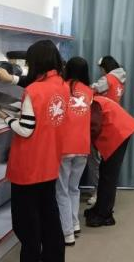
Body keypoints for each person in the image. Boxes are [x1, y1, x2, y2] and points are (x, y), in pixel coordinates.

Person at [0, 40, 67, 262]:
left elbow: (26, 130)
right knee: (49, 216)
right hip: (50, 161)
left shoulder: (33, 90)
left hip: (28, 166)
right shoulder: (62, 85)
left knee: (26, 223)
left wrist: (6, 118)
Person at [83, 94, 134, 227]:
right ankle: (100, 208)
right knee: (105, 171)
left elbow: (94, 128)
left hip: (118, 133)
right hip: (120, 130)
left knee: (109, 175)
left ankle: (105, 215)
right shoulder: (95, 100)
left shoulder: (93, 103)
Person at [57, 57, 92, 247]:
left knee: (61, 191)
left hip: (64, 146)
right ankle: (75, 223)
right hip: (83, 146)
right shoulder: (89, 91)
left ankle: (67, 232)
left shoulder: (61, 87)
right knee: (74, 188)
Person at [85, 55, 127, 206]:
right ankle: (104, 190)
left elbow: (90, 90)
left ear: (105, 67)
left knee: (95, 160)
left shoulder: (107, 79)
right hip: (112, 121)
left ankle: (98, 191)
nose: (101, 71)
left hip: (100, 120)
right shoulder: (120, 79)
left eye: (101, 68)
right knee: (105, 160)